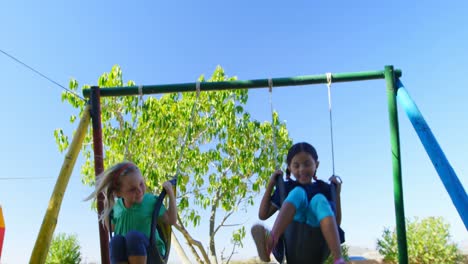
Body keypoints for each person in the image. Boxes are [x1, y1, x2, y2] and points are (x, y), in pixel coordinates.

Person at [252, 142, 345, 264]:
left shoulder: (324, 188)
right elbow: (263, 215)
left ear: (316, 165)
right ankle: (271, 240)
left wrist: (337, 194)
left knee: (319, 200)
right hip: (294, 227)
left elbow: (336, 222)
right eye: (296, 165)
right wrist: (271, 185)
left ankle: (338, 260)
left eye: (307, 164)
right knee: (298, 193)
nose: (302, 169)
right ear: (289, 168)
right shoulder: (286, 188)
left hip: (317, 227)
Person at [85, 162, 177, 264]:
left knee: (133, 237)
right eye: (132, 189)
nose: (140, 191)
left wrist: (170, 193)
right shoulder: (117, 207)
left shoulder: (150, 201)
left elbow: (171, 220)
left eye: (141, 184)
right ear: (118, 193)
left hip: (152, 254)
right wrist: (107, 206)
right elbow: (111, 228)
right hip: (126, 255)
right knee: (116, 241)